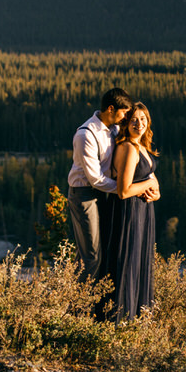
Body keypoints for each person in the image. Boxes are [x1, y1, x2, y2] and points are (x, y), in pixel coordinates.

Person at [66, 87, 132, 281]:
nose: (126, 117)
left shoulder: (115, 129)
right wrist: (125, 190)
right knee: (92, 255)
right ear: (111, 109)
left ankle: (83, 300)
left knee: (95, 250)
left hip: (104, 192)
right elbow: (95, 178)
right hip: (84, 195)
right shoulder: (86, 134)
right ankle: (81, 307)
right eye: (124, 112)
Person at [109, 101, 161, 319]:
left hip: (142, 212)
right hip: (128, 213)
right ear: (126, 124)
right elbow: (123, 190)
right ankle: (123, 320)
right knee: (128, 264)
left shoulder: (142, 148)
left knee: (140, 262)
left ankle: (138, 320)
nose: (139, 123)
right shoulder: (128, 148)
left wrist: (156, 192)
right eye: (133, 120)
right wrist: (149, 186)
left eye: (142, 119)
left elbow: (152, 179)